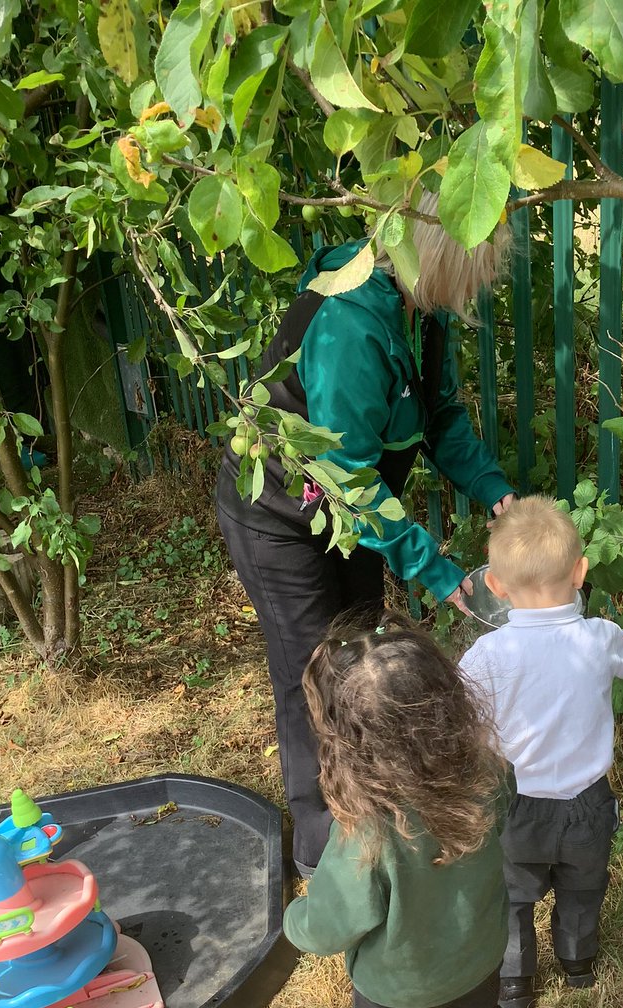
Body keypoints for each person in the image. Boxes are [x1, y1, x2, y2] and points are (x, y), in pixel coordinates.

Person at [215, 193, 515, 874]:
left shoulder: (416, 308)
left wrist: (495, 491)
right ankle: (324, 855)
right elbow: (348, 475)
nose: (474, 292)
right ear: (439, 254)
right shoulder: (352, 321)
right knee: (314, 676)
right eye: (473, 272)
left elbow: (437, 415)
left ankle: (371, 809)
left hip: (346, 518)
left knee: (363, 661)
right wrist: (438, 573)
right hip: (282, 518)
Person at [282, 618, 568, 1008]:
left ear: (345, 736)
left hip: (398, 981)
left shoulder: (368, 832)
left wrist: (294, 919)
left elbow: (325, 928)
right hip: (477, 955)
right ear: (448, 701)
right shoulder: (489, 774)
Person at [460, 497, 623, 1008]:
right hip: (587, 801)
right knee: (584, 886)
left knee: (512, 896)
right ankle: (577, 963)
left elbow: (466, 727)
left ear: (496, 587)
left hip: (517, 802)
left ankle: (515, 982)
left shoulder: (487, 655)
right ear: (580, 571)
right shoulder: (597, 638)